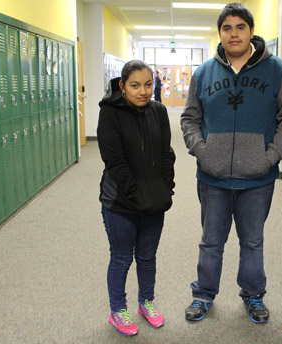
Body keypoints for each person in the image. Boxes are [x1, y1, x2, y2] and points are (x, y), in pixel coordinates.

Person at [180, 2, 282, 324]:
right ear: (220, 33)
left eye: (240, 27)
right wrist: (203, 151)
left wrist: (270, 157)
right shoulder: (204, 73)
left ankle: (253, 295)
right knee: (211, 242)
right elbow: (190, 118)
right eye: (227, 28)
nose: (234, 34)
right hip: (212, 177)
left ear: (251, 31)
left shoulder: (277, 70)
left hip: (257, 179)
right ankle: (203, 295)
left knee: (253, 243)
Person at [97, 60, 176, 336]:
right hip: (120, 200)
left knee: (147, 256)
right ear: (122, 86)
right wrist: (137, 195)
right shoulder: (109, 112)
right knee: (121, 258)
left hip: (153, 200)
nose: (142, 91)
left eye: (147, 84)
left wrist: (166, 187)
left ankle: (146, 303)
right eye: (134, 85)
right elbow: (114, 161)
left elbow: (167, 153)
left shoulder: (159, 111)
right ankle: (118, 310)